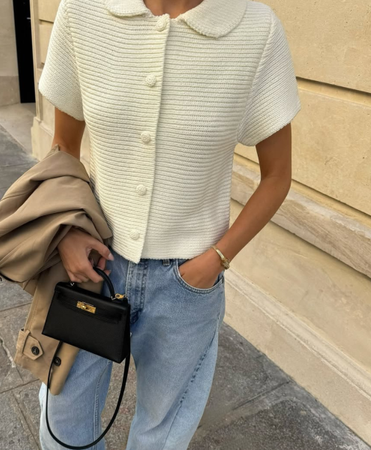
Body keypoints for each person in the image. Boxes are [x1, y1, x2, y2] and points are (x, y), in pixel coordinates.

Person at [37, 0, 302, 448]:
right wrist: (68, 231)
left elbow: (277, 176)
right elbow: (64, 144)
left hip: (188, 287)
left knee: (161, 437)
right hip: (92, 268)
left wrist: (214, 261)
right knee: (60, 426)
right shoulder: (84, 12)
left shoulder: (255, 31)